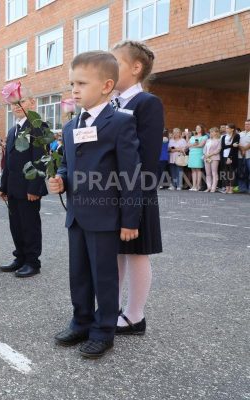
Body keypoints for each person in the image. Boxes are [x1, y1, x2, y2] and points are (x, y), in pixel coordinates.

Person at [47, 51, 142, 359]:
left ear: (106, 85)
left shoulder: (120, 123)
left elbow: (131, 174)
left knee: (104, 275)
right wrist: (61, 178)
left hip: (105, 215)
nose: (74, 90)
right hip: (77, 214)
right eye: (72, 83)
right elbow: (69, 165)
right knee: (79, 274)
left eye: (81, 83)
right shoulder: (71, 126)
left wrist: (131, 219)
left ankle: (104, 330)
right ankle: (81, 320)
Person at [111, 40, 165, 336]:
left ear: (136, 67)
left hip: (136, 189)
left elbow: (147, 156)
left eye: (115, 63)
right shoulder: (112, 104)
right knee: (117, 251)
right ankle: (112, 307)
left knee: (136, 252)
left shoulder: (146, 103)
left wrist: (137, 195)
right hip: (112, 189)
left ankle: (135, 315)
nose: (109, 69)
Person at [0, 85, 49, 278]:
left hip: (29, 188)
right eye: (12, 103)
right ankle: (19, 256)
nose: (17, 106)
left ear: (32, 102)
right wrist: (4, 186)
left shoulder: (37, 126)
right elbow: (9, 161)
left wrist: (35, 187)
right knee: (16, 224)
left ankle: (32, 261)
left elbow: (40, 160)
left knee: (29, 225)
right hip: (13, 187)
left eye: (21, 101)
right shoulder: (13, 130)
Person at [220, 123, 240, 194]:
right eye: (226, 128)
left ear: (232, 129)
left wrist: (229, 157)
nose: (226, 129)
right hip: (224, 156)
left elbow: (235, 148)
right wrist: (231, 145)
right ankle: (227, 187)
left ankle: (231, 188)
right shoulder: (223, 137)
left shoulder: (236, 135)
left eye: (227, 128)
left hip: (232, 156)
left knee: (231, 172)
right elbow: (223, 147)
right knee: (225, 172)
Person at [187, 125, 207, 191]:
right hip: (192, 154)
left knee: (198, 169)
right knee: (193, 170)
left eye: (199, 128)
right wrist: (194, 145)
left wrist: (192, 146)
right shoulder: (192, 136)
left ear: (202, 129)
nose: (197, 129)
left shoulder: (204, 136)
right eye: (196, 128)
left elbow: (201, 145)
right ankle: (193, 185)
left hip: (199, 153)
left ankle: (198, 186)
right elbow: (187, 145)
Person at [203, 127, 222, 193]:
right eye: (210, 132)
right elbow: (204, 149)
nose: (211, 133)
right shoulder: (208, 140)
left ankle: (213, 188)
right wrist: (205, 154)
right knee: (208, 173)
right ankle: (209, 187)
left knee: (214, 173)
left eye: (212, 132)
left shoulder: (219, 140)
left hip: (214, 158)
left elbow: (218, 149)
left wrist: (210, 155)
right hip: (206, 158)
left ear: (216, 133)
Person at [237, 119, 250, 194]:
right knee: (241, 172)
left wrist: (244, 149)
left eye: (248, 124)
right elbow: (237, 143)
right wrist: (242, 150)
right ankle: (242, 188)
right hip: (240, 156)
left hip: (249, 156)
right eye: (245, 124)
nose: (246, 126)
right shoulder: (240, 134)